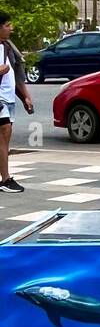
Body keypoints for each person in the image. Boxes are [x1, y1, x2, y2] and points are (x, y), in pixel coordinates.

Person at [0, 11, 34, 192]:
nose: (11, 29)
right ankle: (5, 179)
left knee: (5, 137)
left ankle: (5, 179)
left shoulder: (8, 47)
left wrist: (25, 97)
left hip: (8, 98)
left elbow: (16, 75)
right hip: (1, 100)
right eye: (7, 25)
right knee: (3, 135)